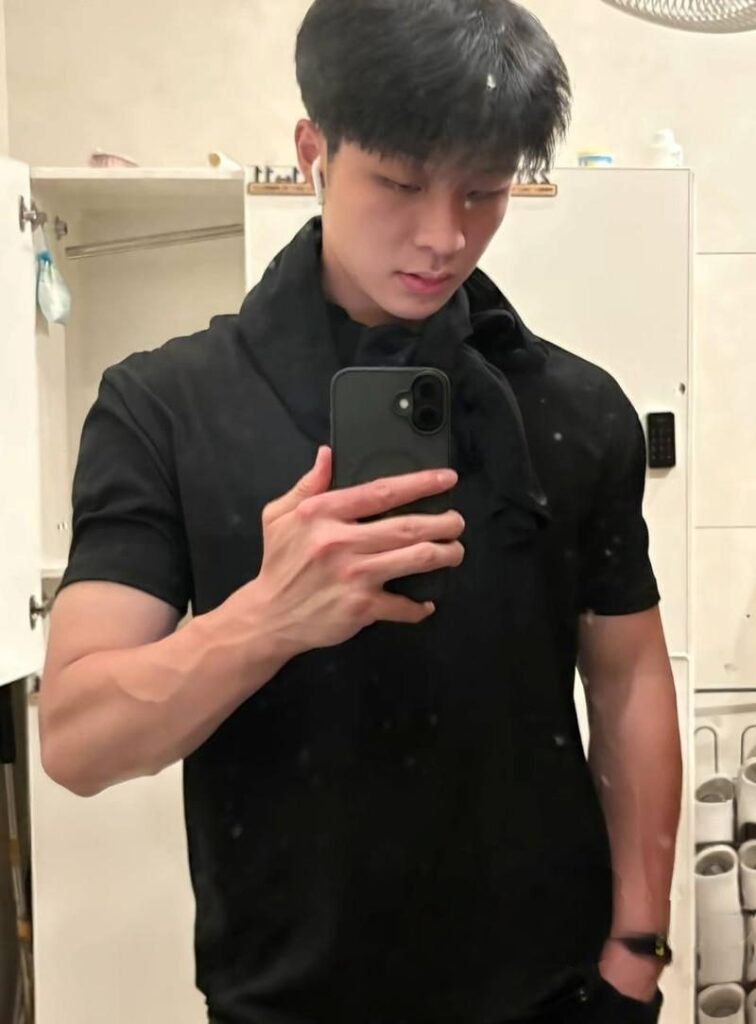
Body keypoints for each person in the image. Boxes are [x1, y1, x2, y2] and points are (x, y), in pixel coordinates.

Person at [39, 1, 683, 1021]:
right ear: (314, 152)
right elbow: (76, 741)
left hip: (554, 995)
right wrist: (266, 619)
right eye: (400, 182)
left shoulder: (574, 407)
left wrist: (637, 951)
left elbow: (629, 677)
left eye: (484, 191)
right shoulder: (164, 406)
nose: (444, 235)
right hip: (285, 1002)